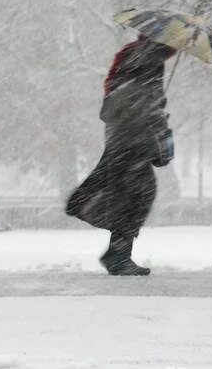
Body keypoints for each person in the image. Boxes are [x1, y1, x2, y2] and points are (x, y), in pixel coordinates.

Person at [66, 36, 177, 275]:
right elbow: (147, 102)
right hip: (133, 138)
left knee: (129, 195)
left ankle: (117, 253)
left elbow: (124, 100)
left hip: (122, 137)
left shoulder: (134, 55)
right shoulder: (150, 60)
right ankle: (117, 255)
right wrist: (161, 130)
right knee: (137, 196)